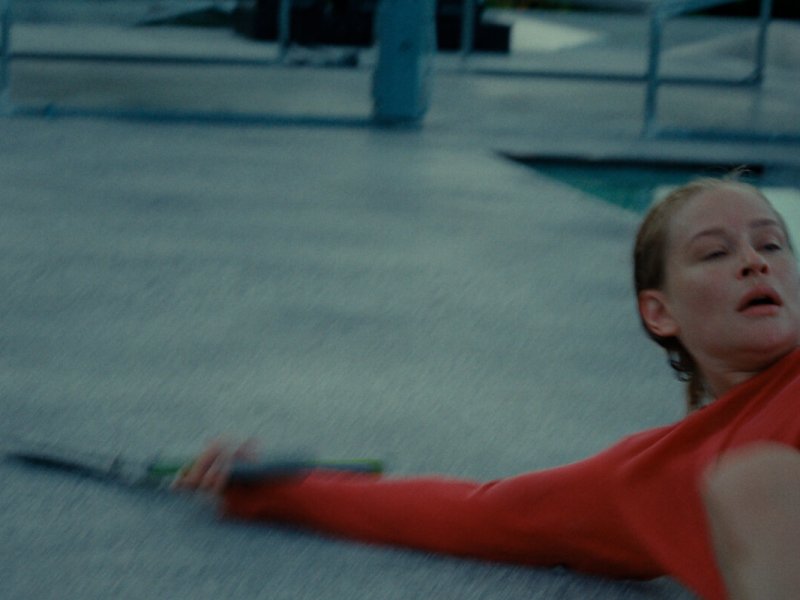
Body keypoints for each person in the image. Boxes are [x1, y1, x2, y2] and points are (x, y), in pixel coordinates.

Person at [174, 176, 800, 600]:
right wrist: (276, 487)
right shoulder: (651, 476)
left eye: (772, 243)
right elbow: (476, 513)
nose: (755, 261)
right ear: (659, 313)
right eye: (715, 253)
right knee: (753, 483)